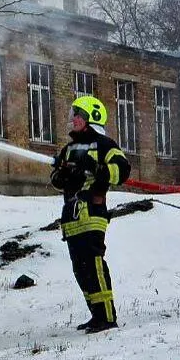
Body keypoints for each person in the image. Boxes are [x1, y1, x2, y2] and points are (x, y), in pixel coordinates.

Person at [50, 96, 132, 333]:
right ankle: (95, 315)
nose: (73, 118)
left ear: (90, 118)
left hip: (92, 213)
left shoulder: (104, 144)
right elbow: (56, 179)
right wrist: (65, 177)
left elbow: (122, 171)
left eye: (78, 114)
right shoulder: (68, 149)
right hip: (72, 218)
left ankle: (107, 316)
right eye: (73, 114)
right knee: (80, 268)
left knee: (93, 264)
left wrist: (96, 168)